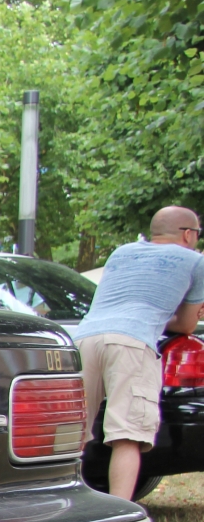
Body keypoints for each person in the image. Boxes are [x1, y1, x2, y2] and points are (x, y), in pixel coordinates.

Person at [73, 206, 204, 499]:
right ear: (187, 234)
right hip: (133, 344)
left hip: (84, 340)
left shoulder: (121, 253)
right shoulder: (195, 261)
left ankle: (63, 503)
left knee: (73, 434)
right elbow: (185, 324)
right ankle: (119, 513)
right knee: (127, 435)